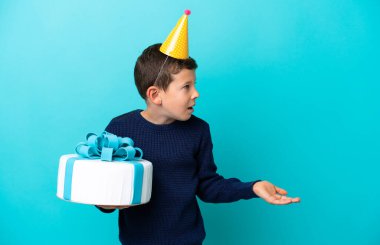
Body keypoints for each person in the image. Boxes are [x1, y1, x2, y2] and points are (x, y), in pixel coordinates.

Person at [97, 43, 300, 245]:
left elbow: (208, 185)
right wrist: (106, 203)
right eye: (186, 87)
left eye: (194, 85)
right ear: (155, 95)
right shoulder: (120, 128)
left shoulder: (198, 131)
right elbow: (103, 185)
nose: (196, 93)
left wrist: (253, 187)